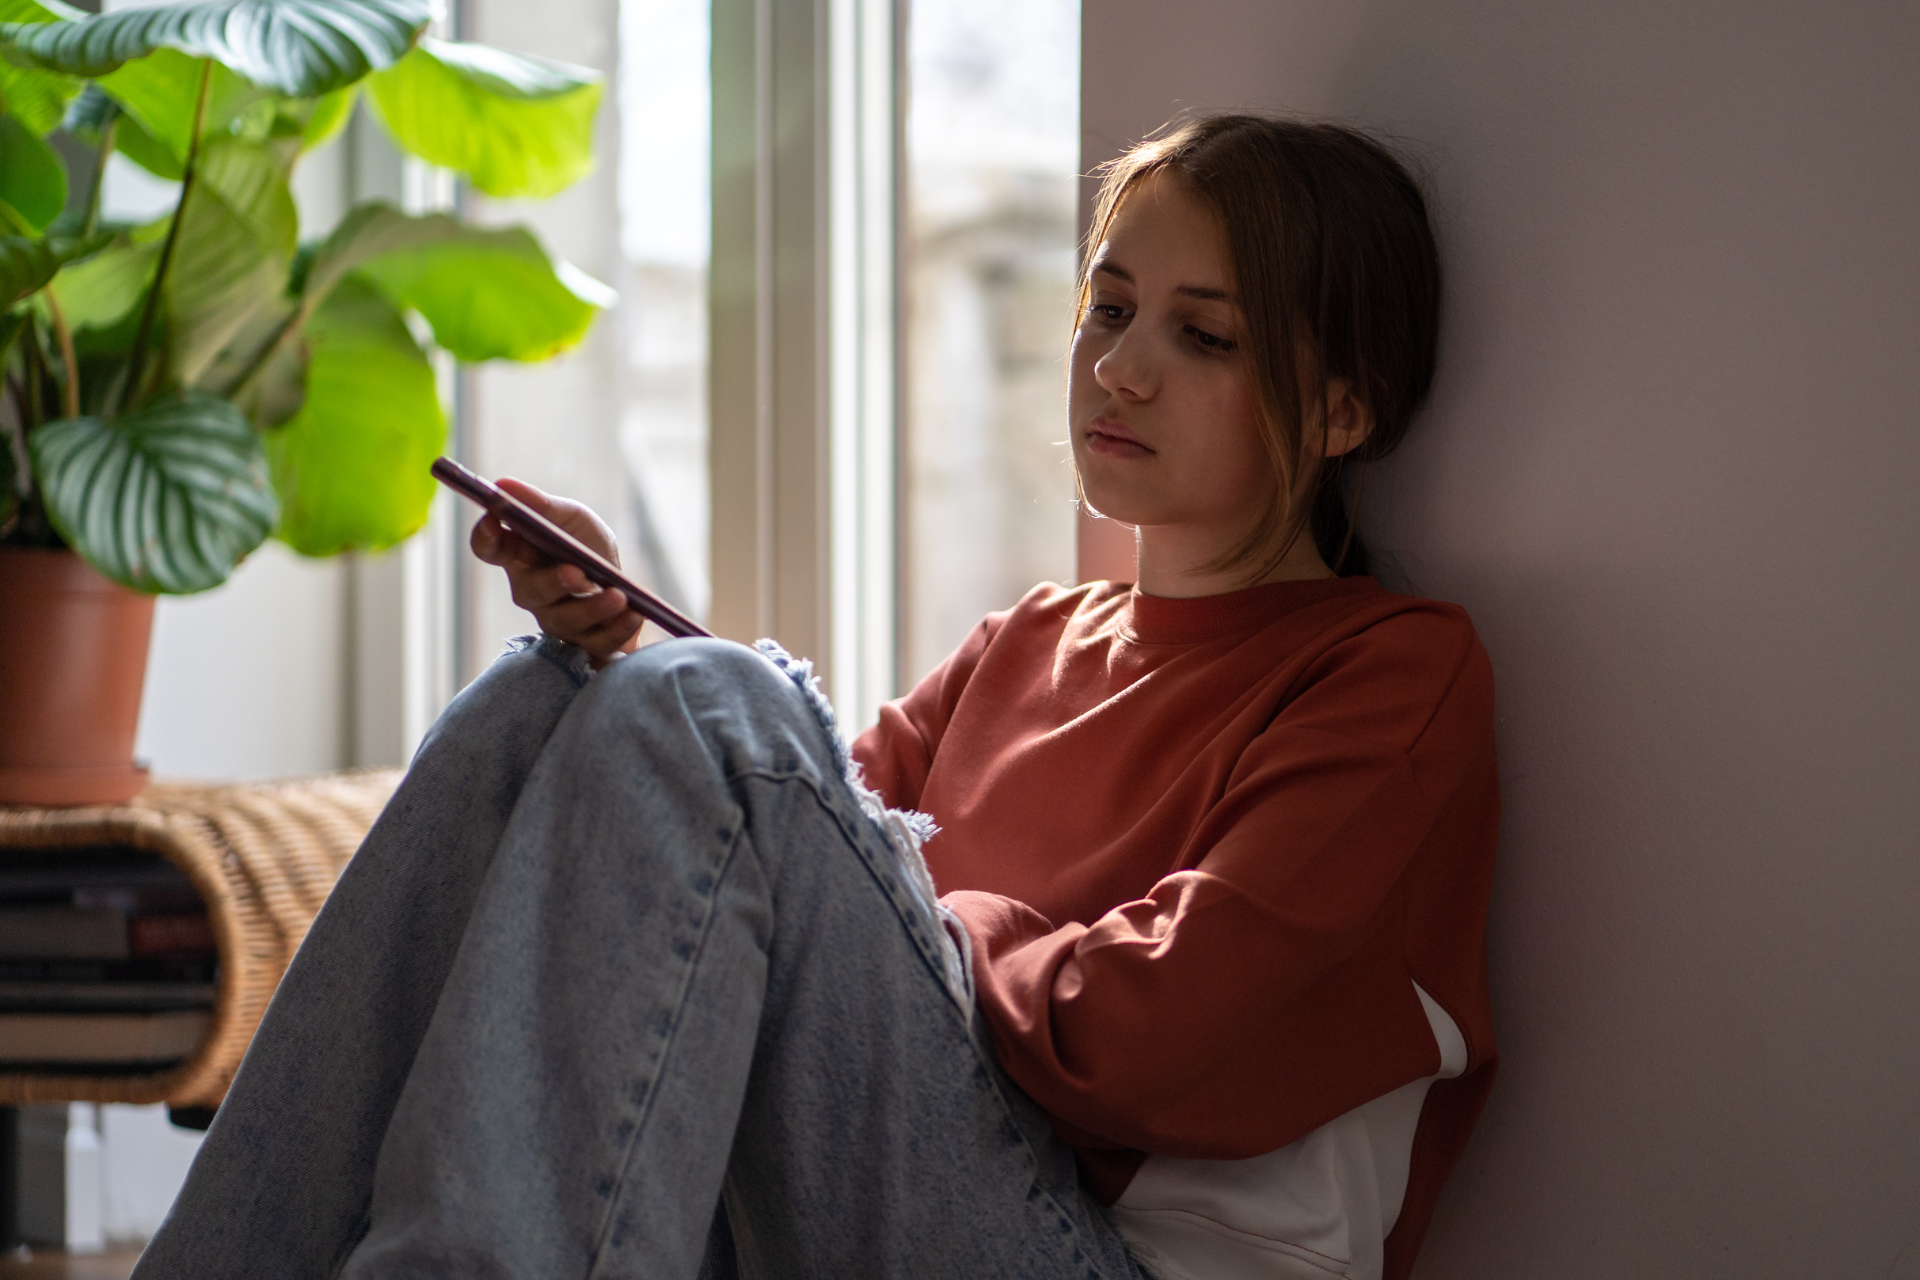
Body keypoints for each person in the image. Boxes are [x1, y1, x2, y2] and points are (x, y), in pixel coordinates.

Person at [134, 114, 1497, 1280]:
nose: (1122, 365)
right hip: (901, 1193)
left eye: (1205, 337)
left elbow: (1144, 1043)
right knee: (535, 701)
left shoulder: (1392, 672)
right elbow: (773, 866)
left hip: (1113, 1257)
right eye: (1109, 306)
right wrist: (621, 651)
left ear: (1338, 412)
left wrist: (914, 895)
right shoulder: (1025, 643)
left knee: (715, 713)